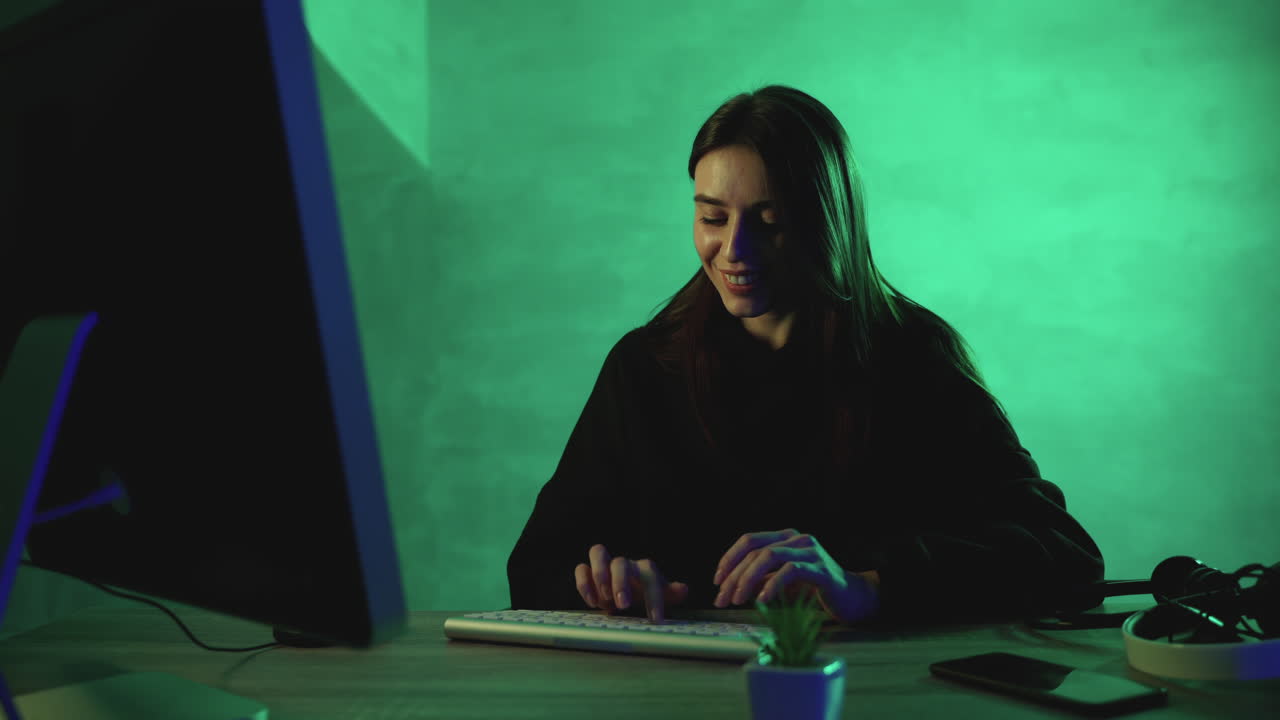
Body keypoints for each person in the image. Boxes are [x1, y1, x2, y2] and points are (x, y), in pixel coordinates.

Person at [506, 85, 1104, 625]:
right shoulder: (643, 366)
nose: (732, 249)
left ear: (826, 223)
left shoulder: (912, 358)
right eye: (711, 216)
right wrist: (602, 585)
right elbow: (534, 567)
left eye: (769, 222)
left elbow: (1064, 552)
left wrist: (869, 587)